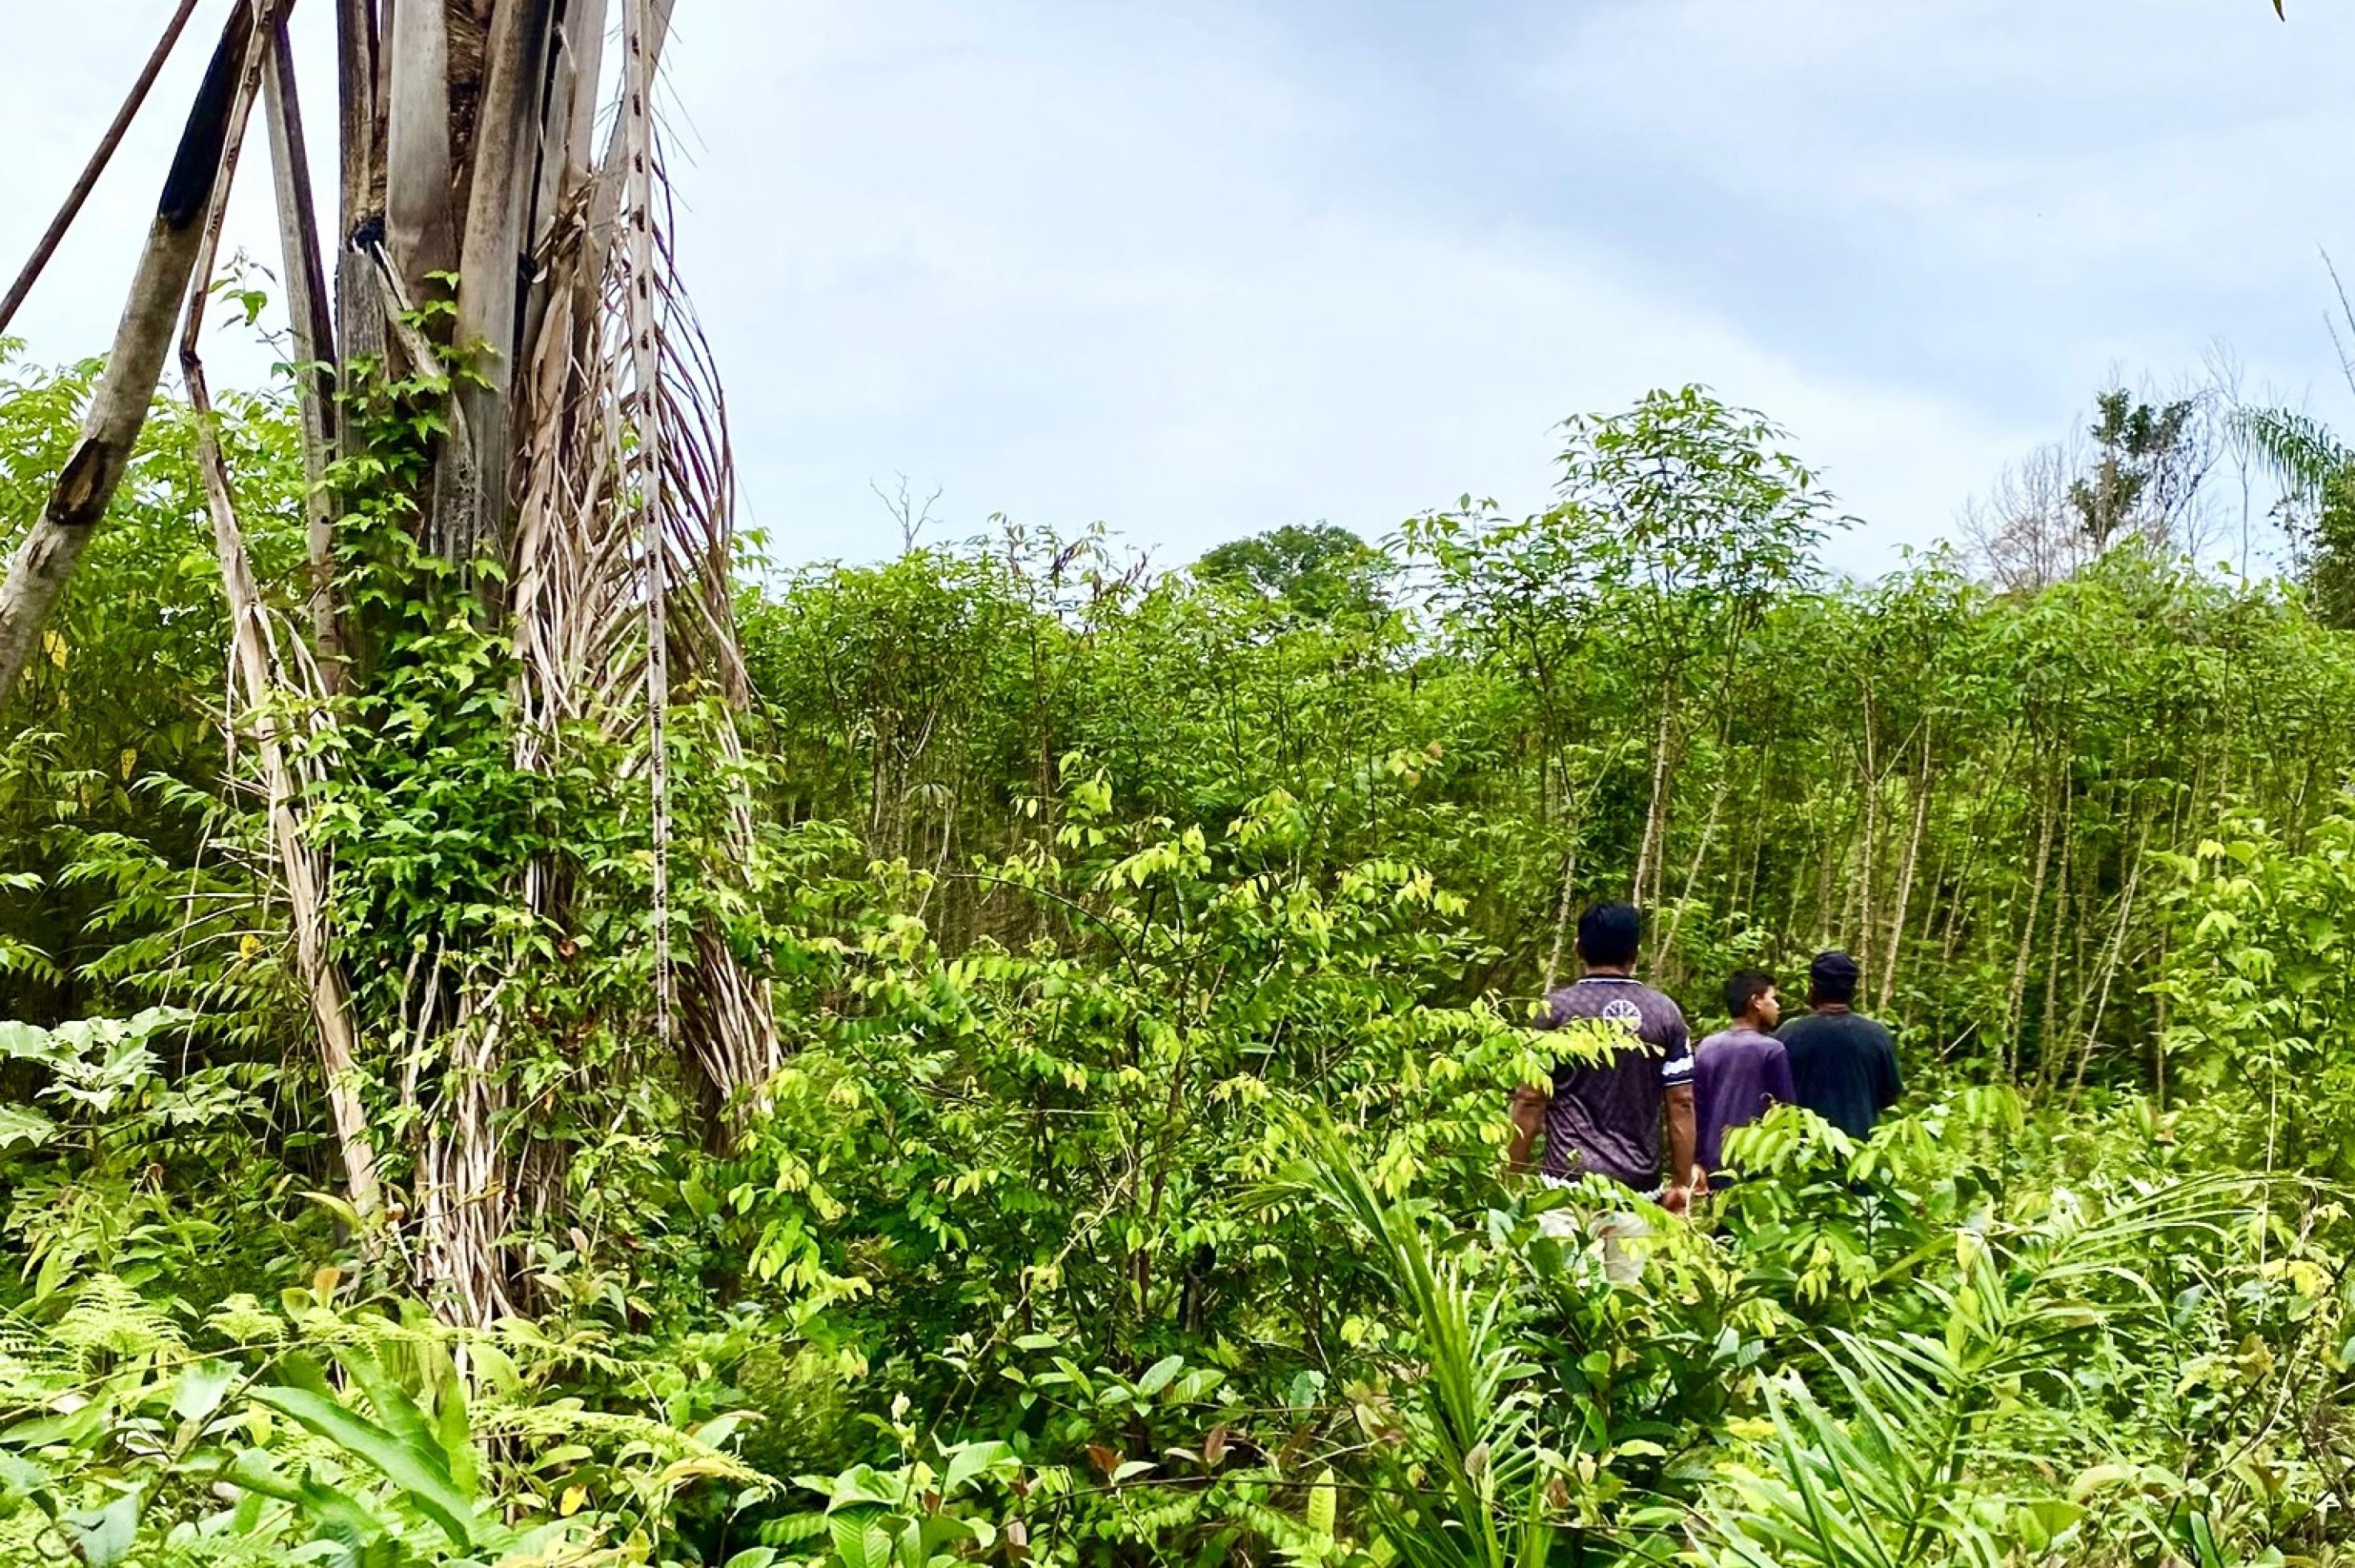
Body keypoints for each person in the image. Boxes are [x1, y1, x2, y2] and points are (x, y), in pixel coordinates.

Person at [1506, 903, 1701, 1213]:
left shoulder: (1554, 1011)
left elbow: (1530, 1099)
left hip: (1565, 1187)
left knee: (1564, 1264)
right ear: (1636, 954)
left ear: (1578, 949)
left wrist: (1510, 1175)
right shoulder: (1664, 1013)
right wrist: (1680, 1182)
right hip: (1639, 1192)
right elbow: (1681, 1102)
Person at [1777, 950, 1901, 1140]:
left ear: (1812, 988)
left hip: (1802, 1152)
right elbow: (1890, 1095)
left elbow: (1773, 1096)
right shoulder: (1877, 1034)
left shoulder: (1790, 1034)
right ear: (1854, 991)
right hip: (1859, 1152)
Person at [1693, 968, 1795, 1183]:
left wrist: (1697, 1160)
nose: (1777, 1007)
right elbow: (1787, 1112)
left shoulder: (1707, 1047)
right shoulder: (1772, 1050)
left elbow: (1697, 1109)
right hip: (1757, 1159)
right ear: (1756, 1001)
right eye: (1773, 999)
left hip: (1714, 1158)